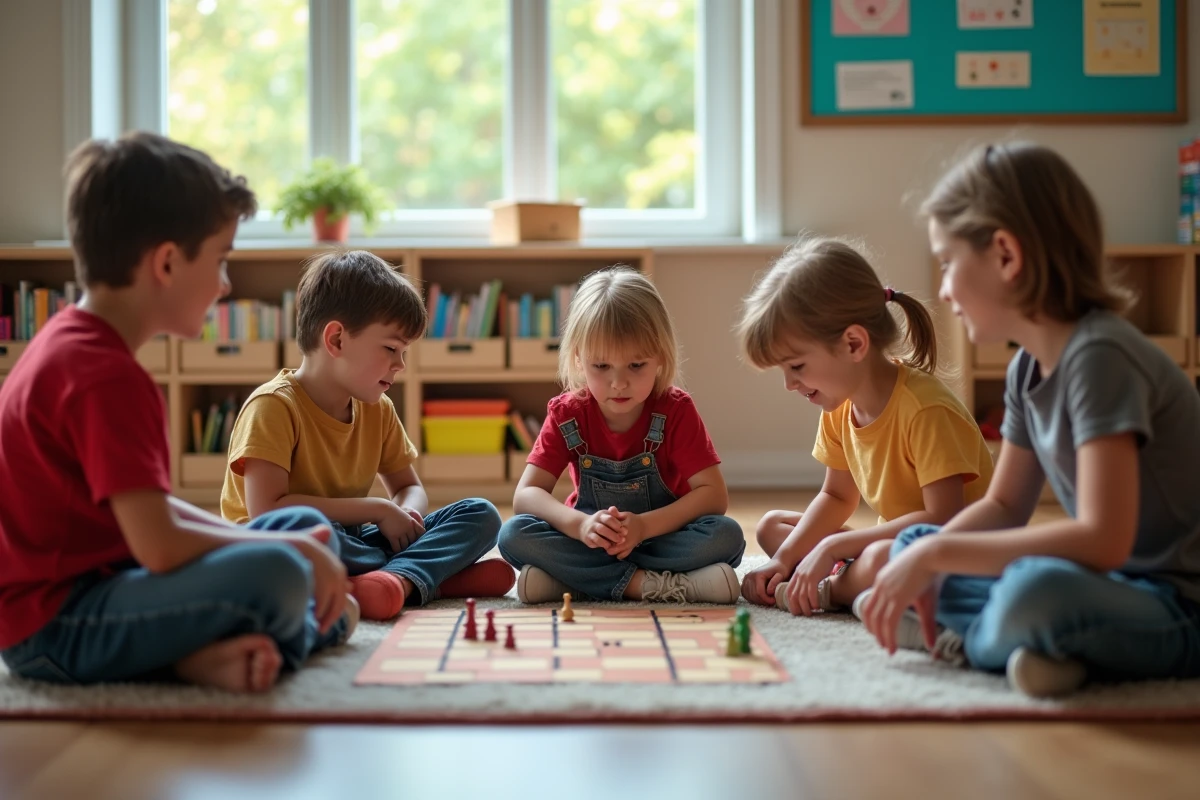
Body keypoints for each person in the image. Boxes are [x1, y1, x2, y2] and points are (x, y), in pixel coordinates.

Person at [0, 132, 354, 693]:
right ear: (166, 263)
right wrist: (284, 552)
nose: (224, 283)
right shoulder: (105, 375)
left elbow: (151, 509)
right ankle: (269, 642)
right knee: (283, 569)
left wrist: (289, 541)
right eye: (219, 260)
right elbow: (160, 546)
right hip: (58, 626)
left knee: (308, 533)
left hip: (106, 582)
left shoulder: (73, 341)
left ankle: (208, 650)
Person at [859, 141, 1200, 697]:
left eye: (947, 262)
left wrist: (939, 555)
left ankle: (974, 638)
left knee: (1030, 590)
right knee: (908, 546)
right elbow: (1003, 506)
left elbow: (1103, 538)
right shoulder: (1025, 369)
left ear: (1006, 255)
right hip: (1104, 587)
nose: (943, 289)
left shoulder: (1101, 356)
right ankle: (1039, 648)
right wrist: (925, 552)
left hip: (1176, 605)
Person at [221, 249, 511, 620]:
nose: (401, 364)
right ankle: (423, 578)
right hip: (278, 550)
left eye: (404, 351)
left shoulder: (378, 408)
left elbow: (409, 486)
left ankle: (390, 580)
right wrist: (377, 509)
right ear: (337, 340)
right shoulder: (273, 406)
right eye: (391, 348)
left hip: (355, 542)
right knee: (306, 528)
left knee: (481, 514)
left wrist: (405, 514)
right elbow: (267, 513)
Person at [736, 236, 993, 617]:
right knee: (773, 528)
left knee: (873, 559)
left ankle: (833, 590)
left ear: (854, 344)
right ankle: (847, 580)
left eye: (796, 367)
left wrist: (833, 549)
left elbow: (943, 520)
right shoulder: (839, 407)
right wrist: (786, 557)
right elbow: (838, 497)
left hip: (956, 551)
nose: (790, 384)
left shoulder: (925, 410)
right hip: (895, 542)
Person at [498, 266, 744, 603]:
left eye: (636, 365)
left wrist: (643, 527)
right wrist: (579, 526)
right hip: (590, 541)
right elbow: (526, 495)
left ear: (660, 357)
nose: (619, 383)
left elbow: (714, 496)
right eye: (601, 367)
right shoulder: (567, 414)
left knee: (725, 536)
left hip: (658, 537)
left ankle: (574, 580)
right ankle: (651, 585)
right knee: (514, 533)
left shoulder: (675, 410)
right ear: (579, 360)